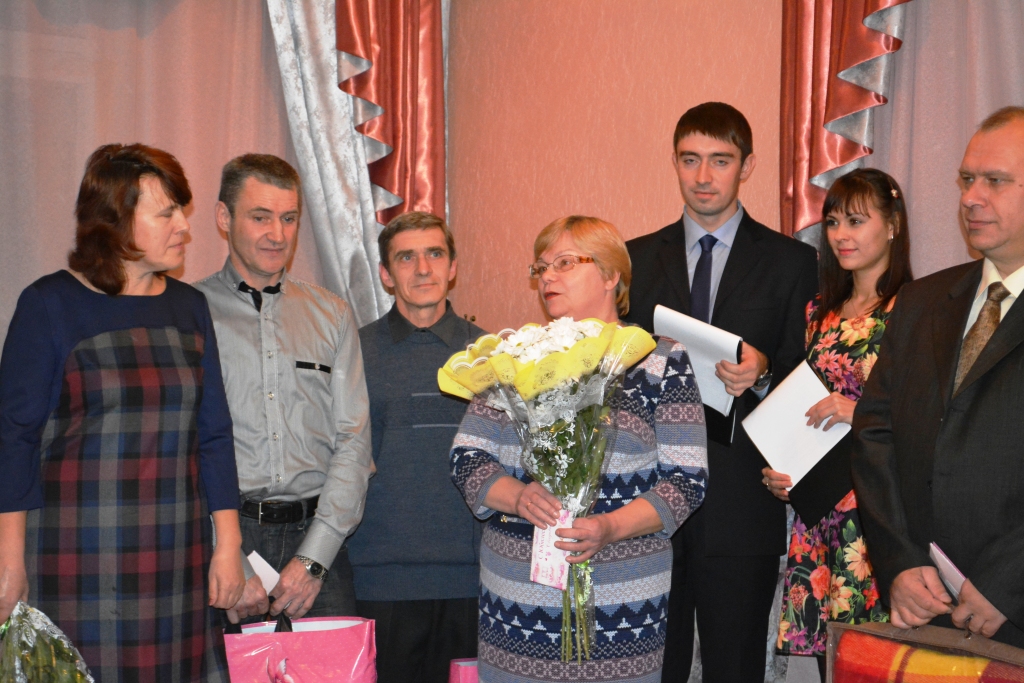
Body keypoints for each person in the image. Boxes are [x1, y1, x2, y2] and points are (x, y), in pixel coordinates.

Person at [0, 143, 245, 682]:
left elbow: (214, 434)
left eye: (182, 211)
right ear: (114, 222)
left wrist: (228, 543)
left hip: (176, 549)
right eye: (166, 213)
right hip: (78, 552)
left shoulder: (189, 307)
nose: (184, 226)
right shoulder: (50, 304)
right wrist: (9, 560)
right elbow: (13, 439)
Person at [450, 215, 708, 682]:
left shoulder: (659, 359)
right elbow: (468, 458)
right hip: (517, 613)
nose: (547, 276)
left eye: (565, 263)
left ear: (611, 276)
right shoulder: (514, 356)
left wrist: (609, 527)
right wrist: (518, 496)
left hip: (623, 611)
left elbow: (687, 481)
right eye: (541, 267)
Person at [622, 102, 819, 680]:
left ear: (747, 166)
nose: (703, 176)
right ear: (675, 163)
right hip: (646, 500)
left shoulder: (793, 261)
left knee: (735, 668)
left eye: (720, 160)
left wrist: (764, 371)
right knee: (652, 668)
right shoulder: (633, 258)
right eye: (690, 160)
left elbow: (812, 375)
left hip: (741, 502)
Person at [853, 106, 1024, 647]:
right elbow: (874, 434)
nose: (971, 197)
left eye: (995, 181)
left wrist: (1006, 584)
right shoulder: (923, 301)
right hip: (925, 607)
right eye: (966, 179)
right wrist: (899, 562)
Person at [194, 154, 372, 623]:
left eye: (289, 218)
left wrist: (314, 559)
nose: (278, 234)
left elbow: (353, 441)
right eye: (260, 217)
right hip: (224, 543)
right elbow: (182, 446)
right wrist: (225, 551)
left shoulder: (332, 314)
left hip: (319, 544)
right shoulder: (189, 313)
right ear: (224, 217)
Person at [761, 168, 912, 680]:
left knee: (877, 658)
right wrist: (782, 469)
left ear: (892, 225)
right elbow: (801, 408)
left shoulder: (915, 308)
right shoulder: (818, 313)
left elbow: (930, 417)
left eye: (856, 221)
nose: (841, 235)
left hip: (875, 509)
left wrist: (859, 413)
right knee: (832, 663)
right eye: (832, 222)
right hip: (817, 508)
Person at [349, 211, 485, 683]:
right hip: (379, 579)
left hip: (471, 580)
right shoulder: (353, 351)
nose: (423, 269)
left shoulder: (492, 354)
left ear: (453, 267)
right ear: (386, 274)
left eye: (435, 254)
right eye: (406, 258)